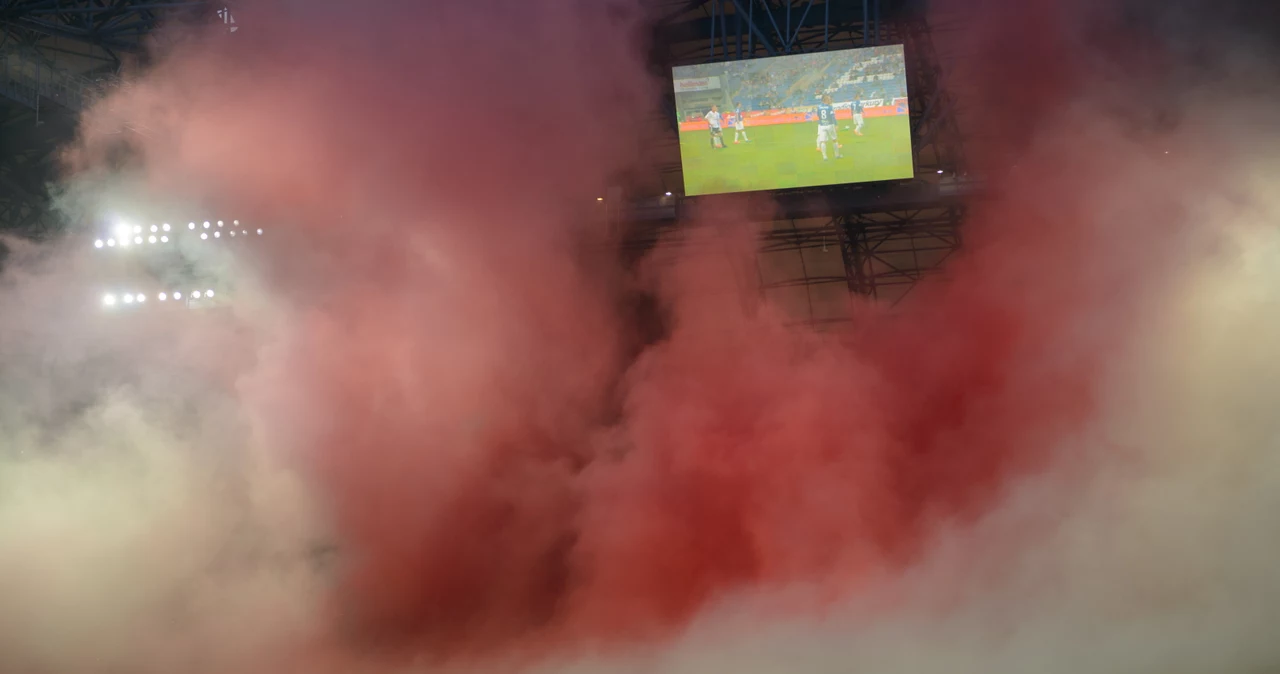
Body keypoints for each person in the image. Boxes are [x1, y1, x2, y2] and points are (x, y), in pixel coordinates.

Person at [816, 94, 842, 160]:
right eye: (829, 99)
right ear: (826, 100)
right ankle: (837, 155)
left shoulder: (819, 107)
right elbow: (833, 117)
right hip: (830, 125)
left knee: (823, 141)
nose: (830, 100)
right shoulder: (830, 107)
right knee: (834, 140)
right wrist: (836, 124)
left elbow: (818, 115)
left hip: (822, 126)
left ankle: (824, 157)